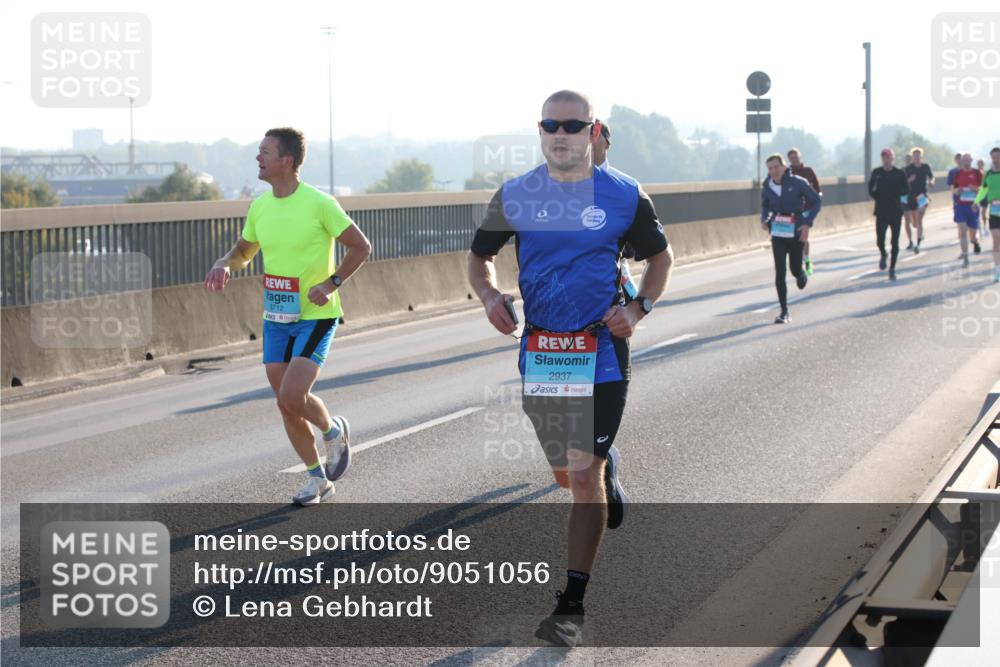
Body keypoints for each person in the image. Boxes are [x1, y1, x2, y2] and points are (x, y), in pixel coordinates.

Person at [468, 90, 673, 647]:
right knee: (567, 474)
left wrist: (638, 307)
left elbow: (661, 257)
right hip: (543, 353)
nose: (560, 133)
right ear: (540, 131)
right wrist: (488, 296)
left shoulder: (624, 195)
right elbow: (479, 255)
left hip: (601, 350)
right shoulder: (515, 194)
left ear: (592, 130)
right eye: (550, 125)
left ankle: (571, 604)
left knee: (582, 475)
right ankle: (606, 471)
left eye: (572, 125)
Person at [205, 127, 372, 505]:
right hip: (276, 315)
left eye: (265, 152)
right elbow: (243, 250)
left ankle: (332, 431)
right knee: (285, 401)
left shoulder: (319, 204)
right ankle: (318, 481)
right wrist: (225, 263)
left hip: (316, 313)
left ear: (287, 161)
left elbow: (361, 247)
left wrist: (331, 283)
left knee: (294, 393)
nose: (258, 158)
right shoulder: (260, 206)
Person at [760, 153, 822, 324]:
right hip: (778, 233)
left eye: (776, 167)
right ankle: (784, 311)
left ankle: (801, 275)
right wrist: (764, 220)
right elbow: (765, 205)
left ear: (784, 167)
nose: (773, 171)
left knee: (794, 269)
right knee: (780, 271)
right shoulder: (767, 186)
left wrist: (807, 224)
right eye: (770, 168)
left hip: (795, 231)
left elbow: (816, 201)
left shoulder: (798, 182)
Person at [594, 120, 639, 302]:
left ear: (607, 143)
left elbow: (655, 252)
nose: (588, 140)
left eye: (595, 134)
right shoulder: (561, 186)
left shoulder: (627, 186)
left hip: (615, 273)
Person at [868, 148, 908, 280]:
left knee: (894, 242)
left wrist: (899, 194)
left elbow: (906, 189)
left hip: (896, 211)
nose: (885, 159)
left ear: (892, 158)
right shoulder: (877, 172)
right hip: (881, 210)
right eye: (883, 157)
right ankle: (883, 254)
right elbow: (870, 188)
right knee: (880, 239)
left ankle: (892, 269)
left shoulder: (899, 173)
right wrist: (876, 195)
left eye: (887, 157)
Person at [787, 148, 822, 276]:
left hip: (807, 208)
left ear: (800, 156)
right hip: (793, 211)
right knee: (794, 237)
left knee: (803, 236)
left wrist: (817, 199)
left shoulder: (808, 171)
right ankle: (798, 260)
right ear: (789, 160)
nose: (794, 159)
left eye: (796, 157)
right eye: (791, 158)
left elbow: (818, 189)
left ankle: (806, 260)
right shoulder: (788, 173)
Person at [953, 153, 983, 267]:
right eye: (964, 160)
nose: (965, 162)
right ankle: (966, 258)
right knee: (962, 232)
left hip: (973, 206)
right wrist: (958, 191)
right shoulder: (958, 174)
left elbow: (983, 189)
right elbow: (954, 189)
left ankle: (975, 242)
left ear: (971, 160)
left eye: (968, 160)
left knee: (973, 235)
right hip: (961, 206)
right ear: (961, 161)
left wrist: (975, 189)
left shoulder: (977, 173)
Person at [974, 147, 1000, 282]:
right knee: (996, 239)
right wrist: (975, 202)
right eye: (993, 157)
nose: (996, 160)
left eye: (998, 157)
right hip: (994, 210)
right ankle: (997, 270)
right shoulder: (988, 174)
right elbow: (983, 190)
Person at [903, 148, 934, 254]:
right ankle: (920, 234)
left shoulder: (926, 167)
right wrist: (909, 180)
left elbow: (931, 177)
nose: (917, 157)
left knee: (920, 217)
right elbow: (902, 183)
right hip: (911, 197)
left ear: (921, 157)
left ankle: (918, 244)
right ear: (913, 157)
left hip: (922, 196)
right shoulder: (908, 169)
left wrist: (931, 182)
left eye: (918, 155)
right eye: (915, 155)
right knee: (915, 224)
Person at [978, 158, 990, 231]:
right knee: (976, 213)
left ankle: (985, 226)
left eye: (981, 163)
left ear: (983, 165)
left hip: (985, 195)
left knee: (983, 213)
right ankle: (978, 228)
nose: (980, 165)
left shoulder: (987, 173)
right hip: (976, 195)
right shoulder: (975, 173)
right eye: (979, 163)